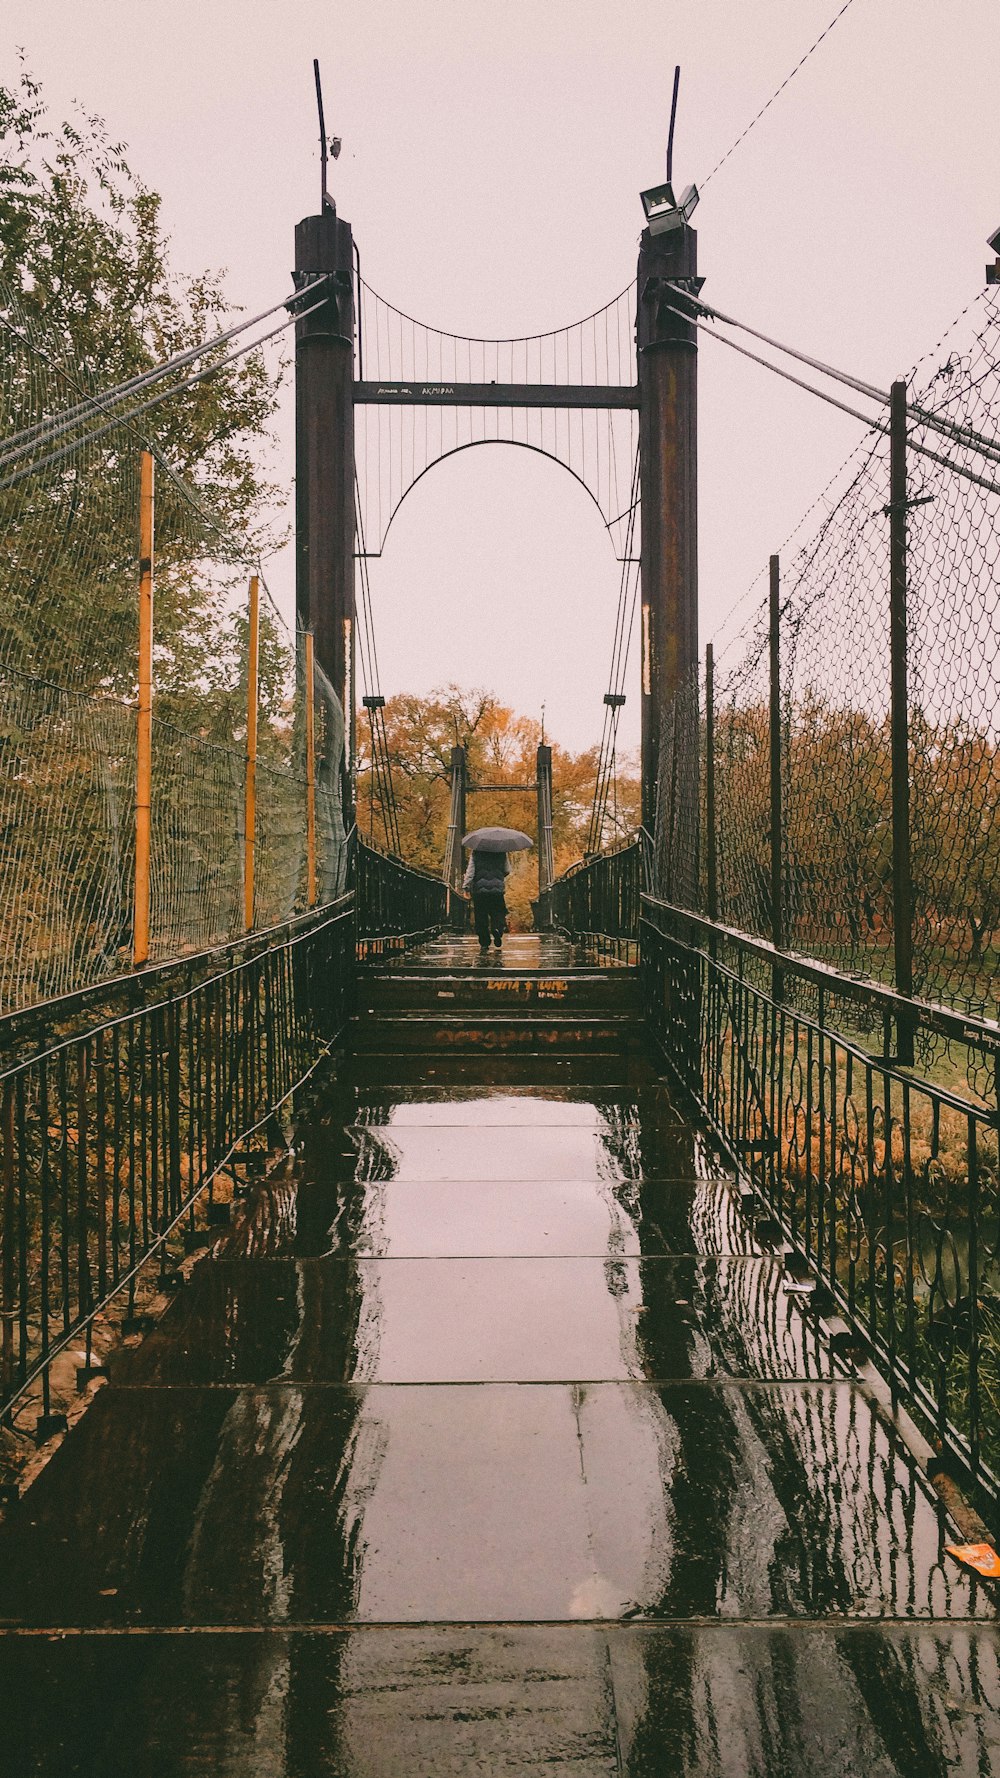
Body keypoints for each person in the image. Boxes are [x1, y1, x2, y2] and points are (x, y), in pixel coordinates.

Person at [463, 848, 511, 951]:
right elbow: (507, 870)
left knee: (481, 916)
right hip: (497, 891)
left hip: (480, 891)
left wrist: (466, 887)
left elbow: (470, 872)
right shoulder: (502, 852)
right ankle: (497, 929)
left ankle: (484, 942)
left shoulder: (476, 852)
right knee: (498, 912)